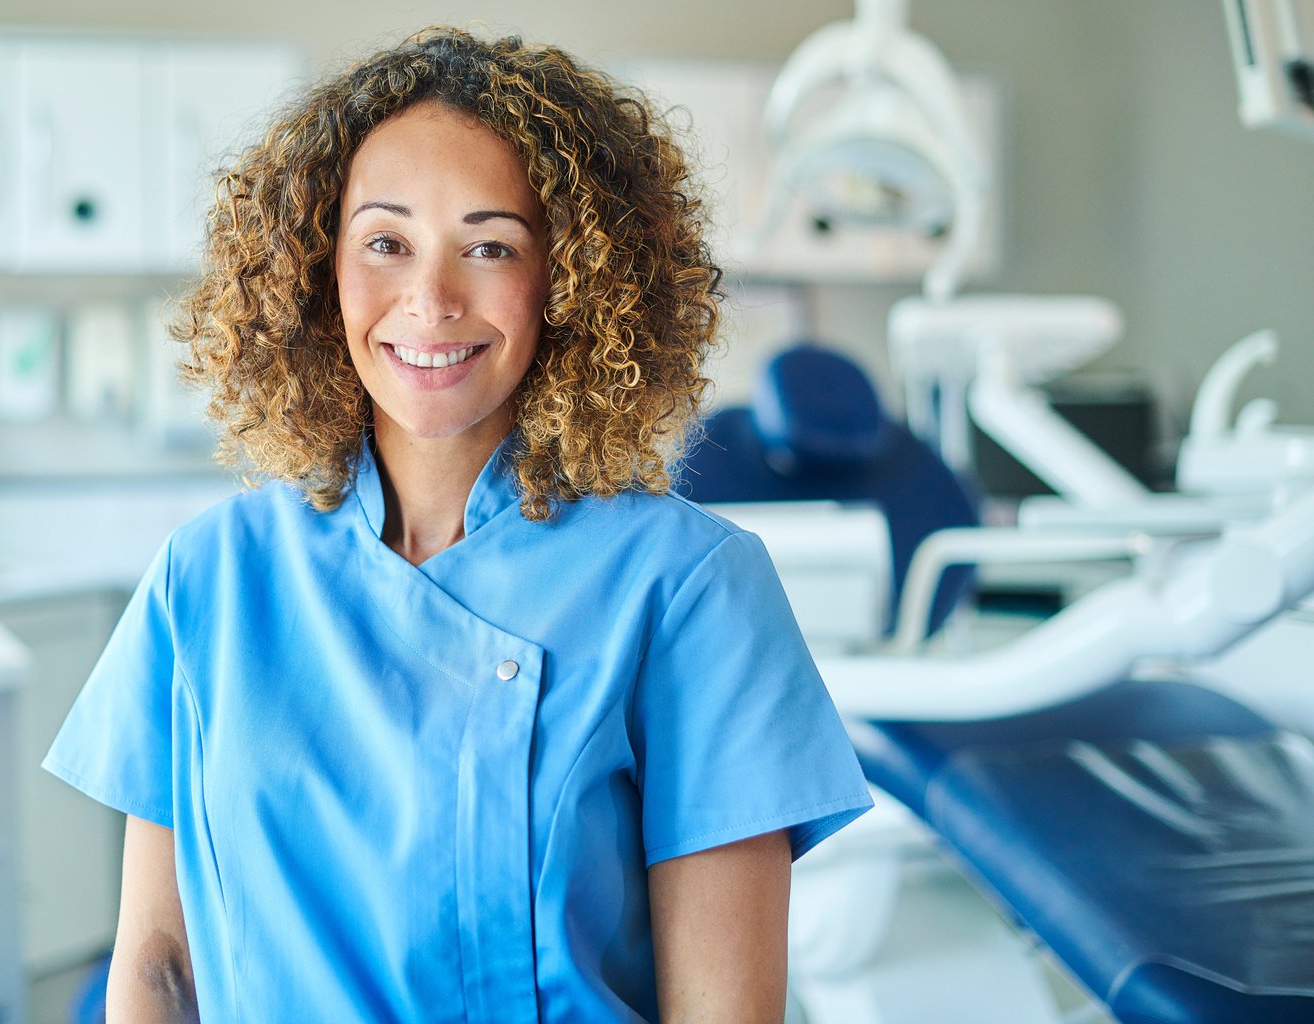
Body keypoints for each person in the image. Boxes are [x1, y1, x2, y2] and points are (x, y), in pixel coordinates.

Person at [43, 26, 872, 1023]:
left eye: (490, 247)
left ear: (570, 283)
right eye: (386, 243)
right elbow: (158, 967)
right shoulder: (212, 575)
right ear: (317, 270)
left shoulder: (691, 586)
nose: (429, 301)